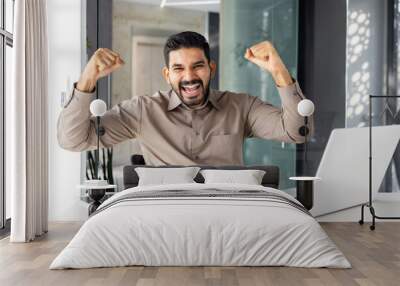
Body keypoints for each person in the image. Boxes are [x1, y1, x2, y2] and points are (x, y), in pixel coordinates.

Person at [58, 31, 313, 166]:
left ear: (211, 68)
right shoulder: (141, 111)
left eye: (198, 66)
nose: (189, 76)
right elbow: (73, 140)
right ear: (167, 75)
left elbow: (297, 132)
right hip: (166, 212)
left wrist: (279, 71)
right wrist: (87, 80)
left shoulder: (242, 106)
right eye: (179, 69)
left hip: (227, 210)